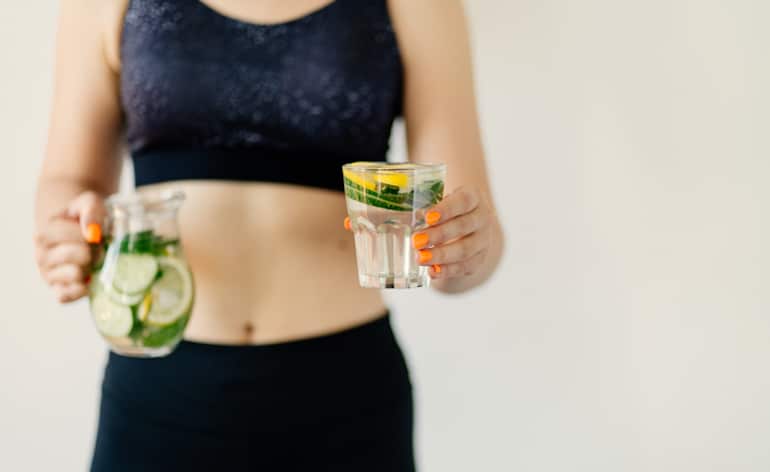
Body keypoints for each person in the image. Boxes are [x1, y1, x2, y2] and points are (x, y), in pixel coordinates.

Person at [34, 0, 504, 470]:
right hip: (157, 393)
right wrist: (67, 233)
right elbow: (68, 183)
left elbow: (460, 222)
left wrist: (464, 251)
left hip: (347, 398)